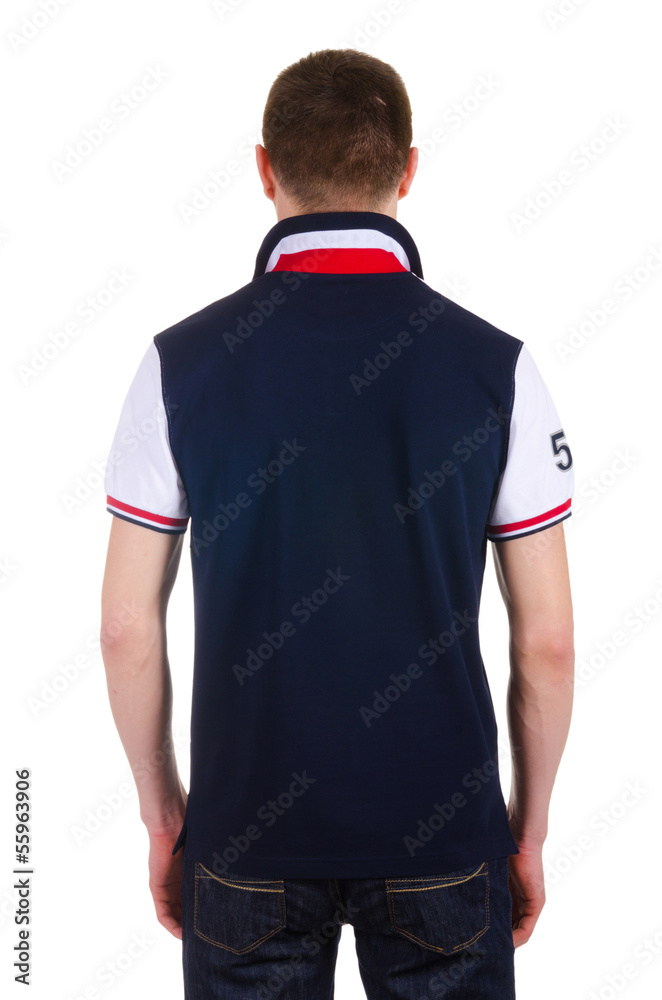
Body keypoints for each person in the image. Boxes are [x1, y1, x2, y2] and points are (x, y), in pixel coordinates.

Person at [100, 47, 575, 999]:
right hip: (445, 837)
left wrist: (165, 816)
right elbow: (549, 643)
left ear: (264, 169)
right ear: (407, 171)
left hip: (245, 837)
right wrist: (525, 830)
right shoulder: (499, 368)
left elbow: (123, 629)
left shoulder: (178, 365)